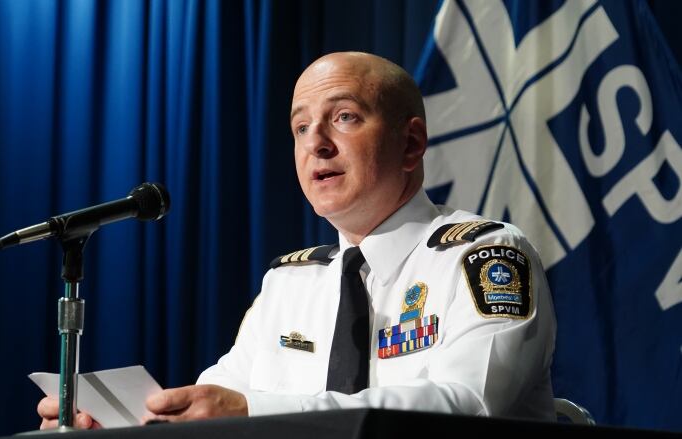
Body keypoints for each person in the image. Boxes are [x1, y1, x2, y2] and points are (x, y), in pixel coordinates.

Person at [38, 51, 556, 429]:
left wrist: (251, 411)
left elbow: (470, 405)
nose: (317, 144)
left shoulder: (482, 257)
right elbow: (213, 403)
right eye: (301, 127)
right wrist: (124, 424)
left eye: (344, 117)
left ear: (411, 143)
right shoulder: (290, 283)